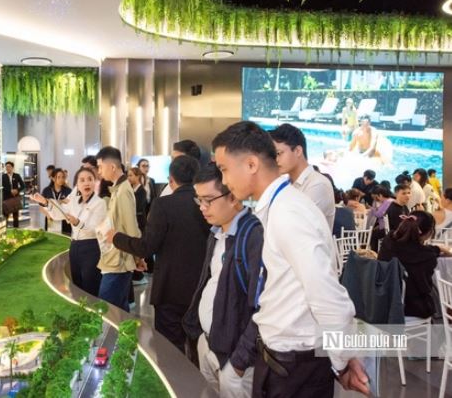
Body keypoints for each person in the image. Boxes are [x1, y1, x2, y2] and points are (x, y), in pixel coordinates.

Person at [212, 121, 368, 397]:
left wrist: (342, 360)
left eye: (224, 169)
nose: (224, 181)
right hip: (281, 362)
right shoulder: (279, 207)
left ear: (251, 164)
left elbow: (328, 297)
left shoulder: (289, 213)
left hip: (297, 368)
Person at [108, 155, 209, 350]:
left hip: (169, 290)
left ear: (171, 180)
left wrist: (116, 238)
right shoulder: (206, 205)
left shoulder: (163, 204)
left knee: (170, 348)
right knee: (197, 346)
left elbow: (147, 247)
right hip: (200, 288)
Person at [183, 164, 264, 396]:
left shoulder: (253, 236)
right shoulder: (216, 233)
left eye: (208, 200)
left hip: (234, 358)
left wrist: (239, 361)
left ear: (233, 196)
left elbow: (262, 306)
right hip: (208, 343)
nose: (202, 207)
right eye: (199, 200)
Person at [31, 167, 106, 297]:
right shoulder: (74, 201)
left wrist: (77, 223)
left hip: (91, 247)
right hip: (74, 246)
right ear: (77, 184)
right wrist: (45, 202)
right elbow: (59, 213)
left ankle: (93, 308)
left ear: (95, 182)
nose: (87, 183)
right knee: (76, 285)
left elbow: (95, 228)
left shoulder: (100, 203)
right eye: (82, 180)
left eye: (90, 179)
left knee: (90, 285)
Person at [95, 146, 143, 312]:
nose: (99, 172)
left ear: (112, 166)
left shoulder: (123, 191)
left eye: (100, 167)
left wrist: (137, 257)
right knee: (119, 310)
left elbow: (131, 228)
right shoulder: (118, 189)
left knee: (107, 309)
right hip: (115, 257)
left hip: (119, 260)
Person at [378, 211, 452, 318]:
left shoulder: (388, 240)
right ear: (429, 233)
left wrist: (437, 249)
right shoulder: (427, 257)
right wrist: (437, 250)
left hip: (382, 300)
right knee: (435, 294)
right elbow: (425, 287)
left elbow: (412, 249)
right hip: (411, 308)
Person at [270, 123, 335, 231]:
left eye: (279, 153)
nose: (276, 160)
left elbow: (294, 226)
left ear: (298, 151)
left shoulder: (318, 184)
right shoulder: (286, 184)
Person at [40, 168, 72, 235]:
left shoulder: (68, 191)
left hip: (64, 221)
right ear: (53, 178)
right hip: (51, 219)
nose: (61, 179)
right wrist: (48, 215)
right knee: (51, 238)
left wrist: (54, 202)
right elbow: (41, 207)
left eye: (63, 177)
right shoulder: (46, 190)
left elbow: (70, 205)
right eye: (59, 177)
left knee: (65, 238)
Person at [2, 161, 25, 228]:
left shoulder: (17, 175)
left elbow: (23, 186)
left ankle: (16, 229)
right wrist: (10, 191)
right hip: (6, 199)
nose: (7, 168)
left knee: (16, 216)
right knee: (6, 216)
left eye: (9, 166)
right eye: (6, 167)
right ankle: (5, 229)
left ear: (12, 167)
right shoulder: (3, 176)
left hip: (15, 198)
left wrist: (17, 190)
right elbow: (2, 187)